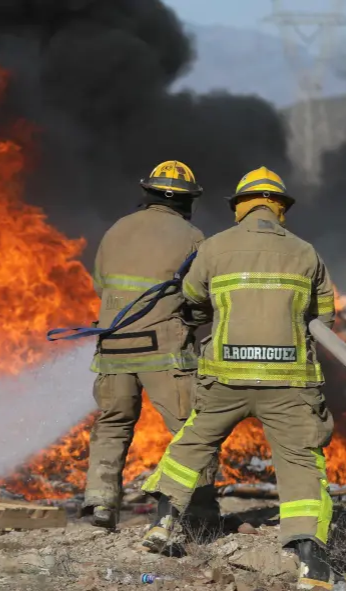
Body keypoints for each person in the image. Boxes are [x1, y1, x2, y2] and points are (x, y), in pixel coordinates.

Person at [140, 166, 339, 590]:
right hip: (289, 384)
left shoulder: (214, 248)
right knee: (301, 462)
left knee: (194, 442)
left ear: (240, 207)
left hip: (225, 378)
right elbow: (325, 317)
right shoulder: (306, 252)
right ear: (280, 208)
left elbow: (193, 300)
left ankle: (162, 523)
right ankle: (311, 565)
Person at [84, 160, 218, 532]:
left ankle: (99, 501)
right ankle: (201, 510)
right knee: (193, 429)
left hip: (112, 346)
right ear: (187, 201)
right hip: (164, 352)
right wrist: (192, 319)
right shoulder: (193, 236)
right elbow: (200, 293)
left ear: (148, 193)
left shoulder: (116, 229)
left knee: (112, 424)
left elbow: (100, 285)